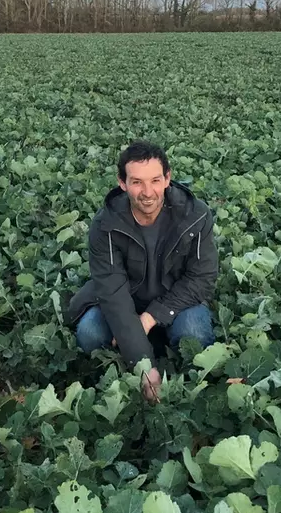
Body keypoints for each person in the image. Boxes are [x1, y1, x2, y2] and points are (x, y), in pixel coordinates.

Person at [66, 141, 217, 403]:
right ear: (122, 183)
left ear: (168, 179)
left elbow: (202, 279)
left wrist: (150, 317)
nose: (148, 192)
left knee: (194, 333)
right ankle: (131, 369)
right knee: (90, 333)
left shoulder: (195, 215)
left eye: (155, 180)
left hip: (177, 301)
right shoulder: (106, 225)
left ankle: (184, 388)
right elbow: (113, 295)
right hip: (126, 302)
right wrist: (144, 365)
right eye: (137, 182)